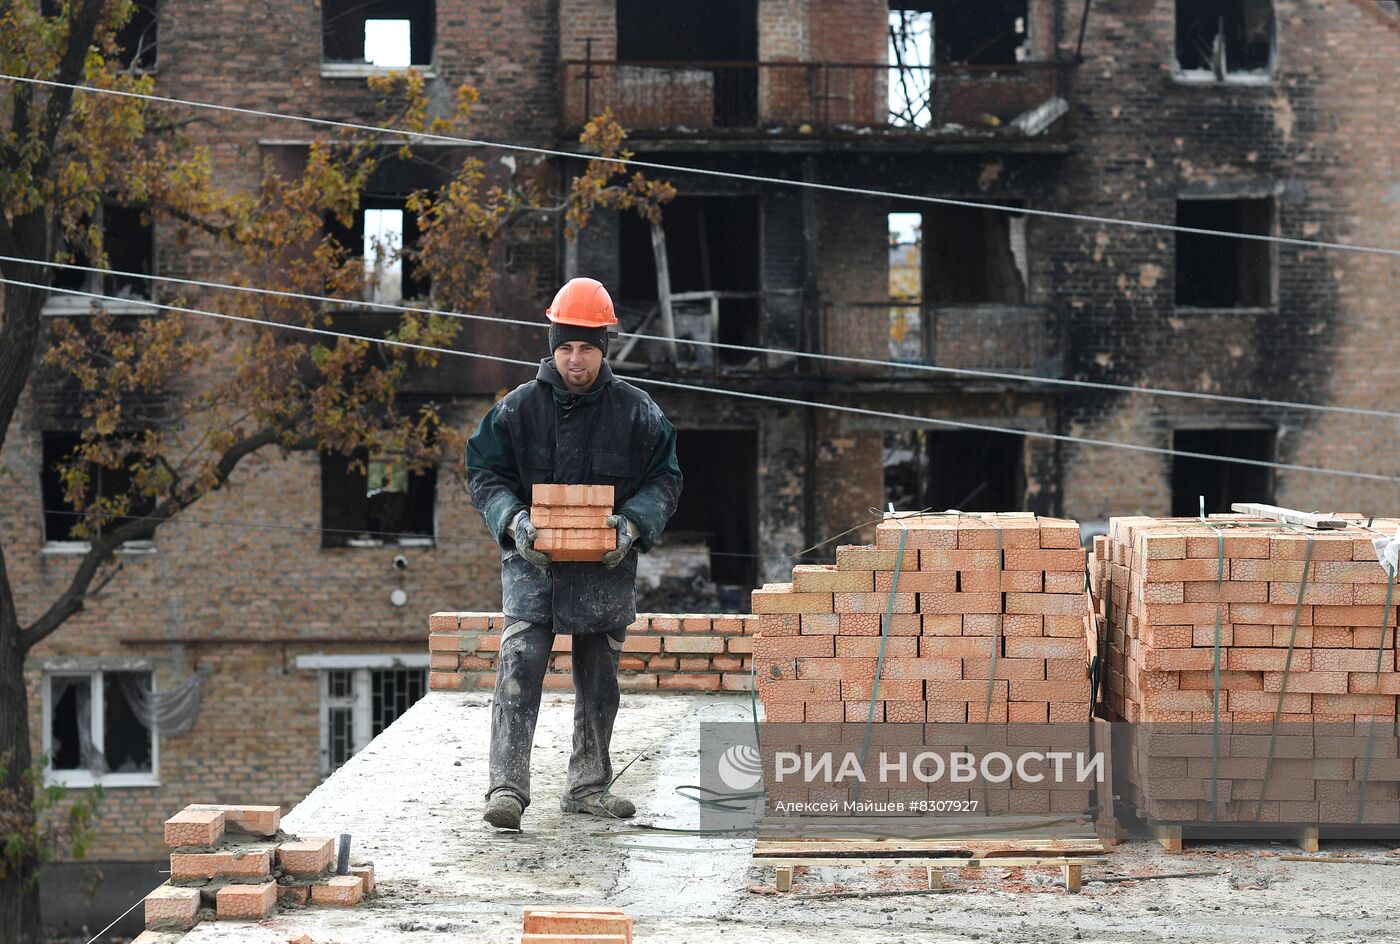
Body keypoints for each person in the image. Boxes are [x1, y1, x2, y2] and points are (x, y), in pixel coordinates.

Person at [466, 277, 683, 831]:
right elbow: (485, 473)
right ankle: (507, 789)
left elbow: (666, 478)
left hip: (603, 574)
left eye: (586, 347)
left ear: (603, 348)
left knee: (599, 679)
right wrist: (513, 522)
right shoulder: (517, 409)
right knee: (520, 666)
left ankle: (588, 786)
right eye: (565, 347)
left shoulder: (637, 412)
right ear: (552, 347)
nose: (576, 359)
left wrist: (632, 525)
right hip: (532, 570)